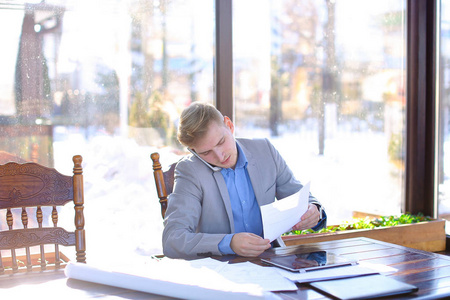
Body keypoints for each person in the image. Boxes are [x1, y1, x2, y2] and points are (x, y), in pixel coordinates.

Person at [162, 102, 327, 259]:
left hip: (273, 261)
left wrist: (314, 211)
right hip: (222, 270)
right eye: (206, 153)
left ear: (229, 125)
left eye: (221, 142)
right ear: (194, 151)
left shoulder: (265, 151)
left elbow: (299, 196)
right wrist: (229, 243)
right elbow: (173, 239)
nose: (220, 156)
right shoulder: (189, 171)